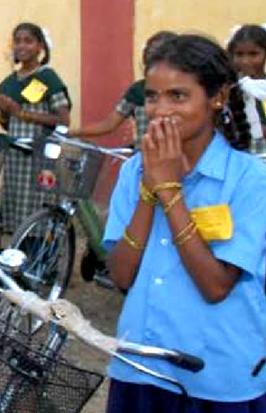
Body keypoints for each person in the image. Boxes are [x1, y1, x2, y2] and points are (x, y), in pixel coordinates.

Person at [103, 34, 266, 411]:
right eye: (151, 96)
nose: (160, 111)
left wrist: (170, 190)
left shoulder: (249, 180)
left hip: (216, 377)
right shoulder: (133, 172)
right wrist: (149, 187)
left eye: (178, 96)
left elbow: (215, 285)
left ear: (217, 98)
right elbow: (123, 276)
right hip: (140, 366)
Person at [0, 22, 71, 232]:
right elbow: (6, 124)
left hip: (40, 155)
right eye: (17, 41)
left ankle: (42, 258)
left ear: (40, 46)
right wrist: (5, 111)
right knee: (16, 210)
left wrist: (20, 112)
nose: (22, 46)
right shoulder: (10, 81)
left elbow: (63, 121)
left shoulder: (48, 78)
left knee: (38, 211)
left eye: (28, 41)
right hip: (16, 157)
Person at [71, 30, 177, 147]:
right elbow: (109, 124)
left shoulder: (182, 89)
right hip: (144, 159)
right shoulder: (137, 90)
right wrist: (71, 132)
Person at [226, 24, 266, 155]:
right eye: (239, 54)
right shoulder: (230, 87)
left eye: (253, 54)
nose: (245, 61)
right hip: (244, 154)